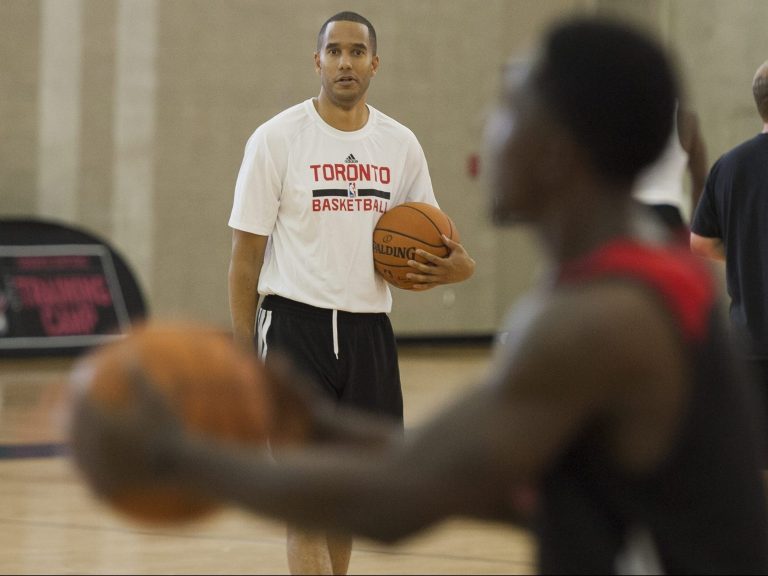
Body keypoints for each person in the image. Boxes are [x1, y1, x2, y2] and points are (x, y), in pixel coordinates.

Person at [76, 18, 768, 574]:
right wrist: (318, 425)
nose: (483, 132)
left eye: (507, 111)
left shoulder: (594, 323)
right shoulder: (635, 279)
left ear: (560, 149)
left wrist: (176, 455)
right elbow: (503, 483)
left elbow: (404, 495)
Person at [226, 11, 475, 575]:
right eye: (334, 51)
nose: (345, 62)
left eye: (356, 52)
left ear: (375, 63)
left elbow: (436, 243)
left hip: (369, 333)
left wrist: (457, 268)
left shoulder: (401, 144)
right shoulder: (275, 139)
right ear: (316, 60)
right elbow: (245, 262)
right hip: (294, 327)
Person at [690, 59, 768, 454]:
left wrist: (742, 251)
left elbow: (700, 243)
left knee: (755, 455)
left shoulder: (729, 166)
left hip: (750, 338)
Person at [632, 102, 708, 238]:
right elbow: (701, 180)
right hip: (669, 217)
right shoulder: (686, 118)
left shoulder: (617, 114)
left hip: (631, 214)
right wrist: (694, 231)